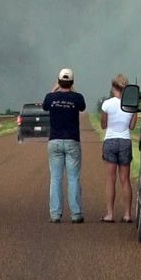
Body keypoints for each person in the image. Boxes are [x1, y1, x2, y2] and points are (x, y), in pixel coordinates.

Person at [42, 67, 86, 223]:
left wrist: (55, 89)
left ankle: (55, 214)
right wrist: (70, 89)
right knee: (73, 178)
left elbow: (45, 105)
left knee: (55, 178)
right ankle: (76, 214)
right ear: (72, 82)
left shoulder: (50, 98)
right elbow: (82, 107)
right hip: (72, 141)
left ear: (59, 81)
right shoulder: (77, 98)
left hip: (54, 141)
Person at [98, 73, 135, 223]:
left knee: (110, 179)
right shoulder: (131, 105)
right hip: (125, 140)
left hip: (111, 140)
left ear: (114, 87)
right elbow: (132, 126)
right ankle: (127, 214)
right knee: (125, 179)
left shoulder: (107, 104)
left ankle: (110, 214)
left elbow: (103, 125)